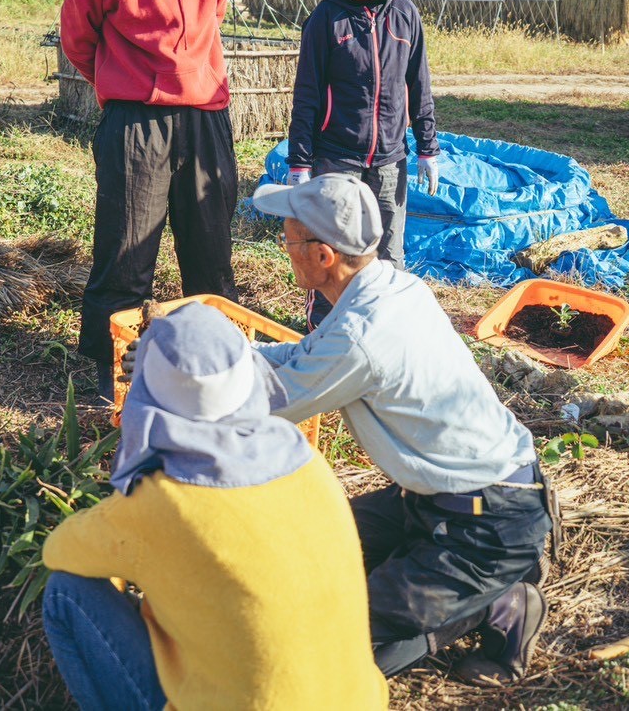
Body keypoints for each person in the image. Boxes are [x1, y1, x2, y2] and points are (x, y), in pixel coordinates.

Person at [248, 173, 552, 684]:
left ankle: (496, 600)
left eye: (289, 241)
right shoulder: (390, 286)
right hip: (437, 500)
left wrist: (186, 374)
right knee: (311, 549)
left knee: (335, 643)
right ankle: (449, 579)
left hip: (489, 523)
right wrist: (229, 351)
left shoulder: (360, 334)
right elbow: (304, 356)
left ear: (323, 255)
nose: (286, 250)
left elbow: (269, 401)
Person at [41, 304, 389, 710]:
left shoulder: (163, 499)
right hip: (358, 701)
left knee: (66, 591)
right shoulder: (306, 459)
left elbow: (59, 551)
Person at [61, 0, 239, 401]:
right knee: (126, 249)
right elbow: (79, 39)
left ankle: (215, 362)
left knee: (210, 247)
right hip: (135, 119)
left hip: (206, 111)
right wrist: (126, 85)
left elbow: (216, 5)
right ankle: (112, 369)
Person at [286, 0, 441, 327]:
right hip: (336, 155)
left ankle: (381, 330)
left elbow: (419, 85)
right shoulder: (326, 18)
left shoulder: (406, 16)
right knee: (331, 250)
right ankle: (323, 331)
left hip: (390, 158)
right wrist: (299, 162)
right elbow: (307, 92)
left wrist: (428, 148)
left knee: (388, 252)